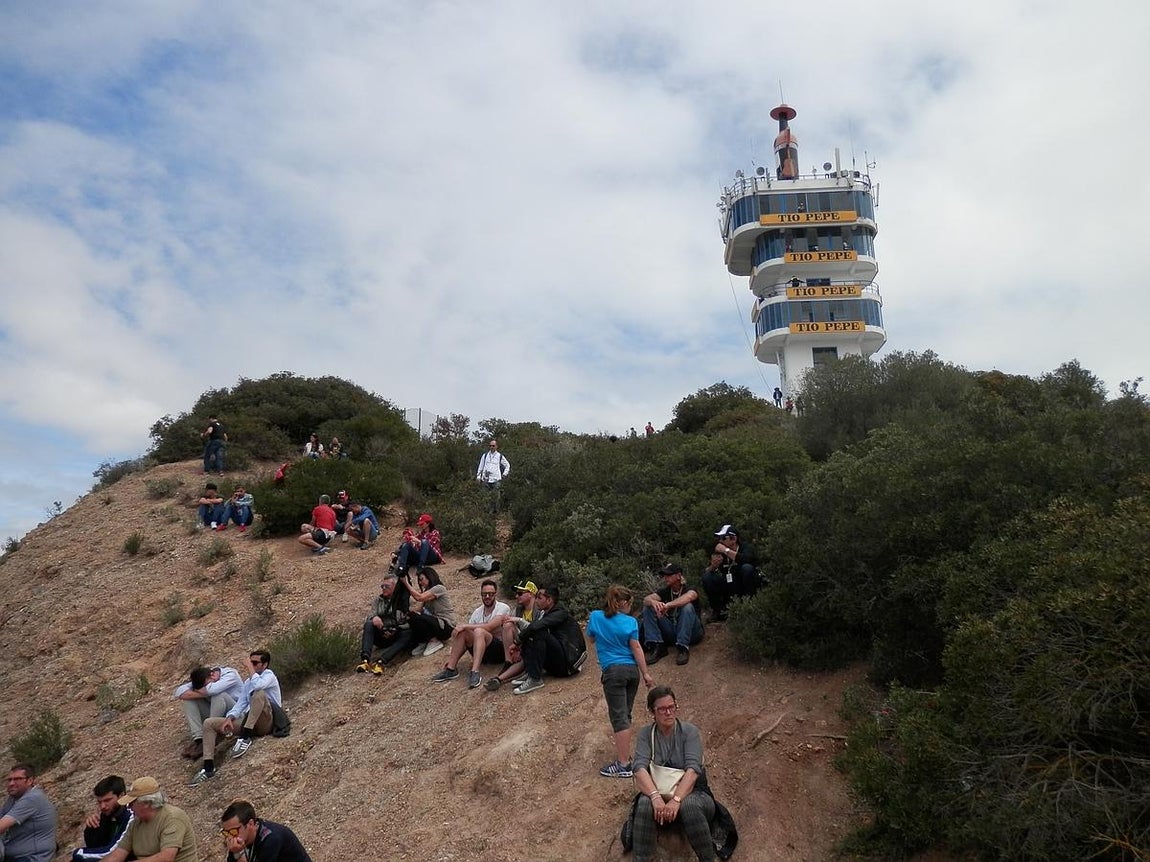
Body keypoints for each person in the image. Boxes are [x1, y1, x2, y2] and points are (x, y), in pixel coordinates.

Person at [630, 687, 716, 862]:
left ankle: (708, 859)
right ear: (652, 712)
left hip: (694, 794)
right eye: (662, 709)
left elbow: (693, 770)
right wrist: (655, 796)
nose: (668, 712)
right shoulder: (646, 734)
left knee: (690, 805)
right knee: (645, 803)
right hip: (660, 793)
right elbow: (639, 768)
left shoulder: (689, 732)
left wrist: (676, 800)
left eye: (671, 707)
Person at [586, 584, 655, 779]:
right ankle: (626, 756)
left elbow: (590, 639)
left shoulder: (596, 617)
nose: (630, 607)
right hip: (632, 671)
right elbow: (636, 648)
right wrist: (646, 674)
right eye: (629, 603)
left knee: (619, 717)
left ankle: (623, 764)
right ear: (622, 603)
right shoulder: (631, 622)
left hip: (613, 671)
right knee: (626, 713)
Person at [191, 650, 286, 785]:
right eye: (250, 662)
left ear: (264, 665)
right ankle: (208, 768)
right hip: (250, 720)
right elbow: (241, 703)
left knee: (258, 694)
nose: (251, 665)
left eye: (255, 663)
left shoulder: (269, 675)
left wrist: (249, 668)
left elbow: (258, 686)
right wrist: (230, 718)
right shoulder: (248, 682)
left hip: (267, 720)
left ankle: (245, 737)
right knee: (209, 723)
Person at [431, 579, 511, 688]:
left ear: (495, 594)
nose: (487, 597)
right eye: (484, 594)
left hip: (499, 650)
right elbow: (466, 640)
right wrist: (452, 658)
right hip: (481, 652)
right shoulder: (477, 612)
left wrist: (465, 625)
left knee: (478, 631)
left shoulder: (503, 608)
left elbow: (489, 627)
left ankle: (475, 671)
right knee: (463, 632)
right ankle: (451, 668)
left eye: (490, 594)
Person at [512, 585, 588, 695]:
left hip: (568, 664)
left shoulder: (560, 613)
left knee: (538, 631)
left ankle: (535, 679)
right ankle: (531, 672)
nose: (536, 601)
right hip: (557, 661)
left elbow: (535, 627)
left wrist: (517, 641)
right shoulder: (546, 613)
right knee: (532, 632)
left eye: (539, 598)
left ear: (549, 600)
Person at [102, 776, 197, 862]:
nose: (129, 807)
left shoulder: (172, 818)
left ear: (146, 803)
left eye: (131, 803)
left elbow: (167, 857)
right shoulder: (135, 823)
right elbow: (118, 854)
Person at [173, 664, 244, 759]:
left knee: (219, 695)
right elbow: (180, 692)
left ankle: (212, 734)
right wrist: (200, 692)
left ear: (212, 674)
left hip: (237, 713)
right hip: (218, 711)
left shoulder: (230, 674)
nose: (204, 688)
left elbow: (212, 690)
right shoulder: (207, 676)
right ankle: (199, 739)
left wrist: (197, 690)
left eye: (206, 685)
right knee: (189, 700)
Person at [642, 563, 704, 666]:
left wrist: (668, 605)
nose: (666, 578)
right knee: (648, 607)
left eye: (669, 575)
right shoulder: (665, 591)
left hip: (693, 632)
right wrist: (653, 602)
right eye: (665, 575)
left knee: (687, 606)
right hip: (673, 631)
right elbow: (646, 599)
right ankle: (657, 645)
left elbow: (689, 597)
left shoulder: (690, 588)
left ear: (678, 576)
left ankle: (683, 647)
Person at [220, 798, 312, 862]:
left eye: (233, 831)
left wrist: (239, 854)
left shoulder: (271, 839)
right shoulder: (238, 841)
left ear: (250, 824)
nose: (230, 836)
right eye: (226, 833)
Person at [701, 525, 761, 622]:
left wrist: (726, 551)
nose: (720, 541)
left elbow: (746, 559)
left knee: (747, 569)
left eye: (724, 538)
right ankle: (719, 611)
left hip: (742, 585)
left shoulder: (746, 548)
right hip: (728, 585)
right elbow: (707, 571)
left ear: (734, 539)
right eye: (719, 538)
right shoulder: (719, 552)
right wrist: (713, 566)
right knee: (707, 577)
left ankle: (749, 608)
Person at [355, 575, 414, 674]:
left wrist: (395, 629)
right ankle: (365, 660)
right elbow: (371, 614)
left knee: (408, 632)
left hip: (396, 634)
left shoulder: (404, 601)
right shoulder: (378, 601)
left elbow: (409, 619)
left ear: (395, 587)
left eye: (387, 586)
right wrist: (375, 618)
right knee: (369, 624)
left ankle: (381, 661)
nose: (384, 588)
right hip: (381, 634)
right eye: (382, 586)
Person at [0, 764, 57, 862]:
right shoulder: (14, 798)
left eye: (17, 779)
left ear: (30, 781)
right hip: (14, 855)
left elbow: (1, 826)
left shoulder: (32, 798)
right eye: (9, 780)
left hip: (31, 857)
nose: (11, 783)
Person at [71, 775, 131, 862]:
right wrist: (92, 828)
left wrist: (77, 853)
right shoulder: (106, 816)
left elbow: (113, 851)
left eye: (107, 800)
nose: (102, 806)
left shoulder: (130, 816)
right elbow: (94, 846)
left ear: (121, 795)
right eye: (99, 802)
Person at [406, 568, 456, 658]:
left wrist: (406, 583)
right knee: (412, 616)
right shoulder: (427, 592)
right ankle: (424, 641)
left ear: (429, 576)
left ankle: (433, 641)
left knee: (419, 617)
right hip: (435, 623)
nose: (420, 583)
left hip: (446, 625)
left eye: (422, 579)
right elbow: (419, 610)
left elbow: (419, 597)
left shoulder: (439, 588)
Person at [475, 439, 510, 513]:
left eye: (493, 446)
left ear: (496, 446)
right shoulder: (485, 455)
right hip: (485, 479)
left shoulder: (500, 456)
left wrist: (504, 474)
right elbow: (480, 467)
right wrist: (478, 477)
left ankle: (496, 514)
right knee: (485, 498)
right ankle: (486, 513)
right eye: (490, 446)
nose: (491, 447)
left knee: (496, 498)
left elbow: (507, 465)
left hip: (496, 480)